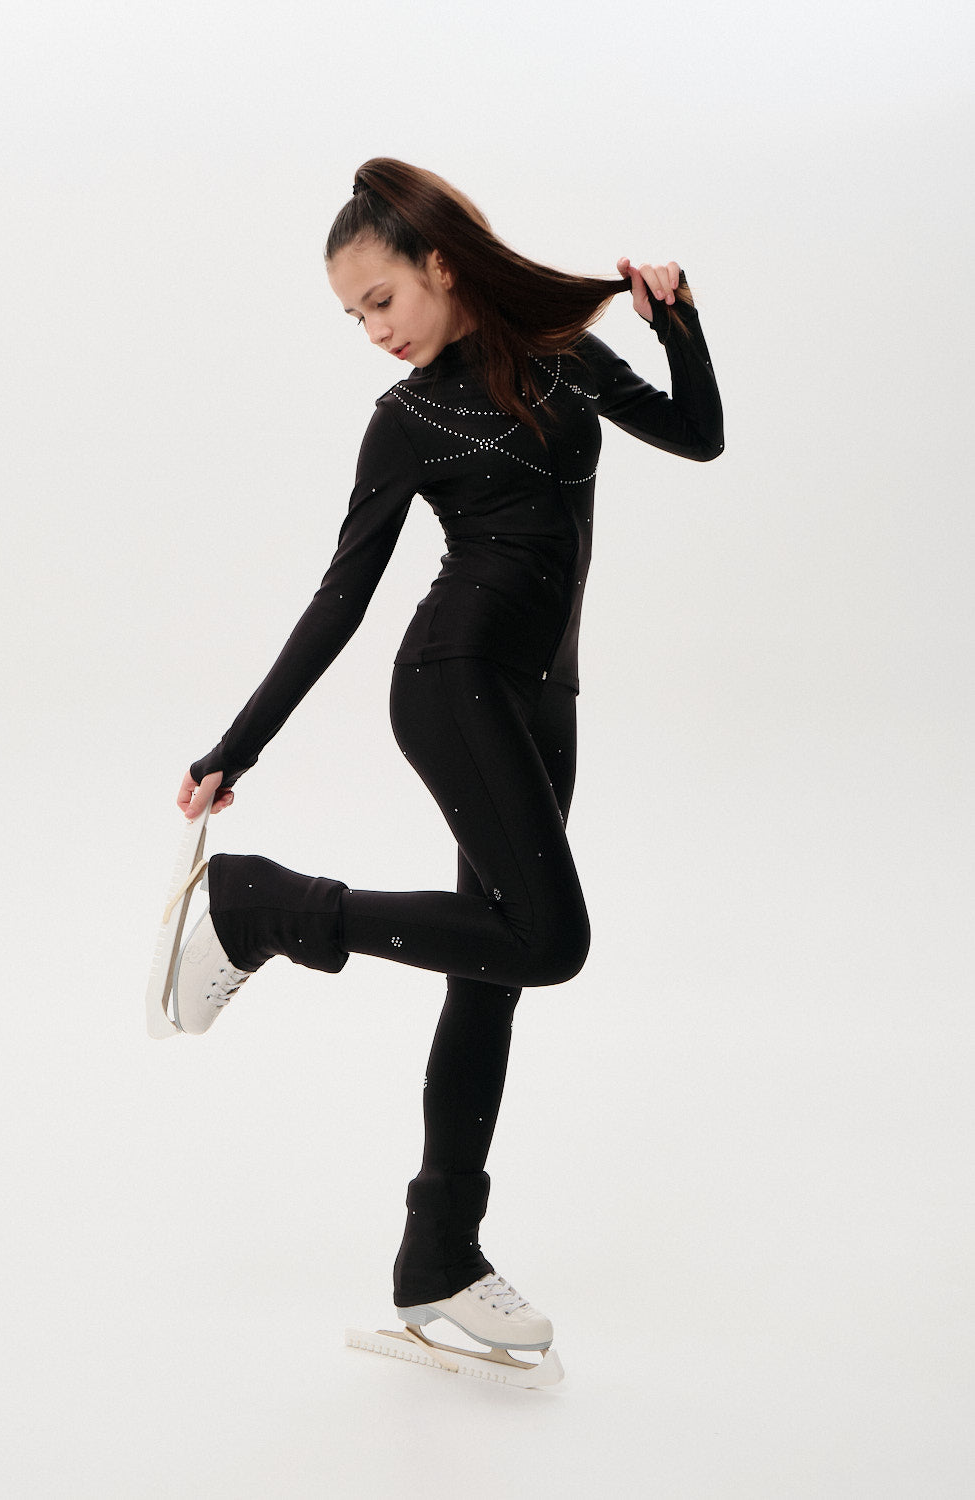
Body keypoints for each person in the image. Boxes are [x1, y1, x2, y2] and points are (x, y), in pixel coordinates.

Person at [172, 158, 723, 1359]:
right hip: (451, 681)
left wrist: (678, 323)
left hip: (543, 700)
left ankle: (439, 1257)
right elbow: (342, 598)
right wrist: (237, 746)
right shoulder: (404, 419)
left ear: (439, 264)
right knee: (550, 941)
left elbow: (698, 437)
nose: (372, 331)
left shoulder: (567, 358)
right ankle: (260, 905)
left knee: (494, 971)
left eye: (378, 300)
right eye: (352, 317)